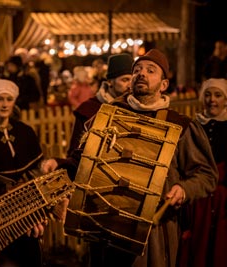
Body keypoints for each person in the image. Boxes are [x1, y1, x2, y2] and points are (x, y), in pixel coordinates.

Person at [41, 49, 218, 267]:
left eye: (150, 70)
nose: (141, 74)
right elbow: (82, 161)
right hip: (104, 226)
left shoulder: (180, 126)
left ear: (163, 85)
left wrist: (184, 189)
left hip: (153, 231)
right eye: (137, 70)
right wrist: (58, 164)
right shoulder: (108, 116)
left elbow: (206, 175)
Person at [0, 79, 45, 267]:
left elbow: (36, 172)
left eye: (9, 99)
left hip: (27, 208)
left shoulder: (24, 131)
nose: (5, 104)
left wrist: (36, 210)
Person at [179, 78, 227, 267]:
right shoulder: (194, 126)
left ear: (226, 99)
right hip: (198, 196)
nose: (212, 100)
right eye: (207, 94)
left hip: (222, 198)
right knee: (197, 243)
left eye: (218, 95)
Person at [67, 53, 134, 155]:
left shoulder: (134, 107)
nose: (130, 85)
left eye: (132, 80)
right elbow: (75, 149)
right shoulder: (89, 109)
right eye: (125, 80)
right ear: (110, 82)